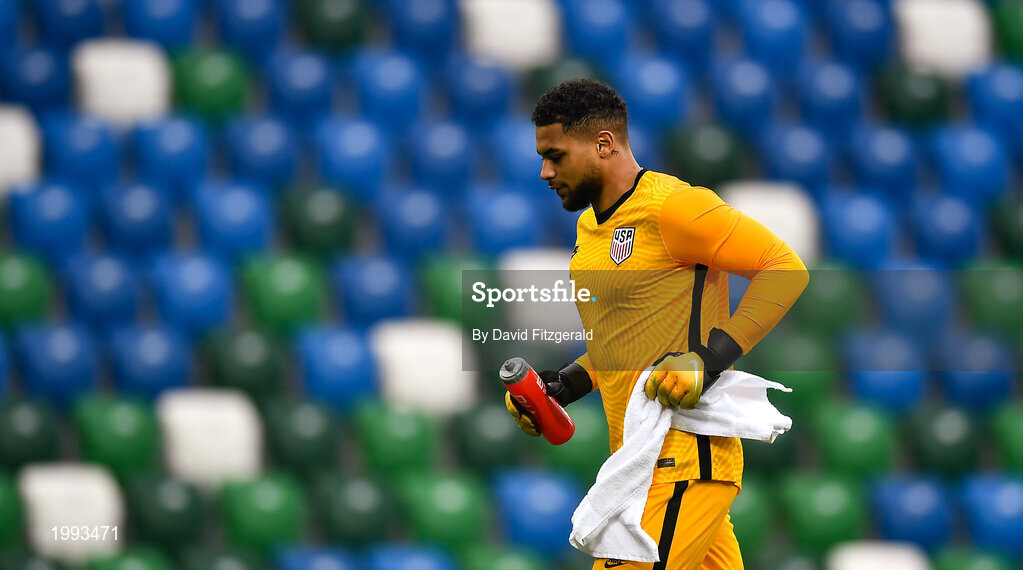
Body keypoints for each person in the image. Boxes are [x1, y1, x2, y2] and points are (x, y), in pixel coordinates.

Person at [504, 78, 810, 569]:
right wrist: (564, 384)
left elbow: (784, 268)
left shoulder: (676, 207)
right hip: (644, 459)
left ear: (604, 144)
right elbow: (627, 339)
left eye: (556, 155)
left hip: (682, 456)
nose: (544, 171)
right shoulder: (589, 229)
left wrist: (707, 363)